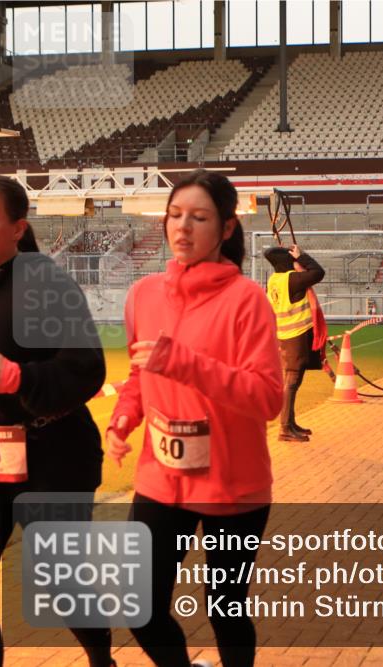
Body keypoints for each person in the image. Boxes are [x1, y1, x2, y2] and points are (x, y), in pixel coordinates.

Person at [106, 170, 282, 667]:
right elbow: (140, 375)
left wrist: (184, 362)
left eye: (199, 218)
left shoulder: (247, 300)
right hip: (161, 480)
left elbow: (267, 398)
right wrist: (122, 420)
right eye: (175, 215)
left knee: (225, 609)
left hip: (233, 486)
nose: (182, 227)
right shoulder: (143, 294)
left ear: (226, 229)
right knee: (140, 607)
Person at [0, 175, 114, 667]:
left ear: (17, 229)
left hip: (55, 455)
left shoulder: (44, 282)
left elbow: (88, 368)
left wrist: (18, 377)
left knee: (60, 580)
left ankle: (102, 660)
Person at [264, 243, 326, 442]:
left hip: (284, 334)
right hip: (295, 335)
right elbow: (318, 272)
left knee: (292, 380)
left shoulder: (274, 280)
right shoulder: (291, 279)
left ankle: (290, 422)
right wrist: (302, 256)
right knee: (292, 381)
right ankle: (285, 428)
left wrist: (296, 261)